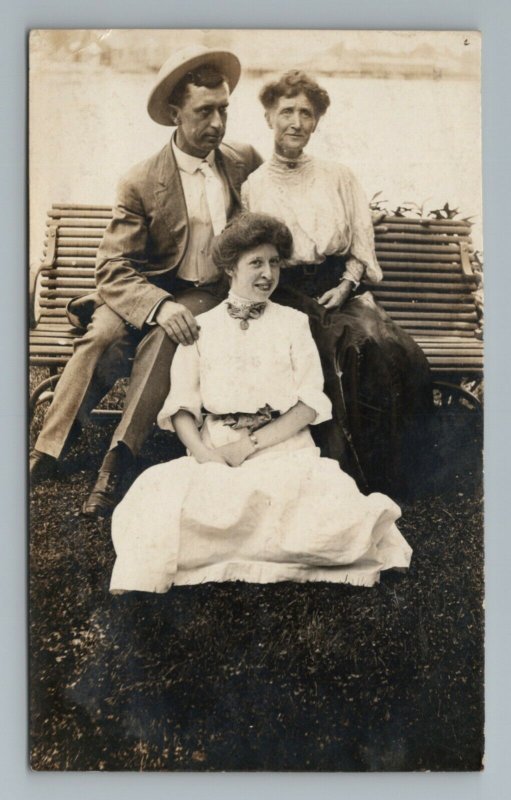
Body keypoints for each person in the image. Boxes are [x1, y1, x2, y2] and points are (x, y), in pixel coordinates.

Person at [109, 213, 412, 594]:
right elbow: (183, 407)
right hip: (216, 448)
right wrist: (205, 454)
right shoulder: (202, 326)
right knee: (164, 503)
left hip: (284, 446)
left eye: (274, 263)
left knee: (317, 509)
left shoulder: (294, 323)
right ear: (230, 268)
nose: (268, 273)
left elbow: (308, 404)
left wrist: (250, 444)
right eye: (256, 263)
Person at [29, 45, 262, 517]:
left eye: (224, 110)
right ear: (176, 114)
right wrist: (157, 303)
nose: (217, 123)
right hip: (146, 286)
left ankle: (118, 458)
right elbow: (114, 268)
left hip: (205, 291)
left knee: (164, 339)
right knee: (103, 337)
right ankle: (47, 450)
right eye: (204, 111)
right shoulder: (141, 181)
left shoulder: (242, 162)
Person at [241, 70, 433, 496]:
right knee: (342, 350)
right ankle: (339, 475)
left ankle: (390, 475)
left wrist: (346, 285)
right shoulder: (254, 187)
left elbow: (361, 245)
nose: (296, 122)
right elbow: (253, 257)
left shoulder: (339, 176)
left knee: (389, 349)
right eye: (286, 111)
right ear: (269, 117)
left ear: (316, 122)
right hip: (286, 293)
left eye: (306, 114)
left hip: (341, 287)